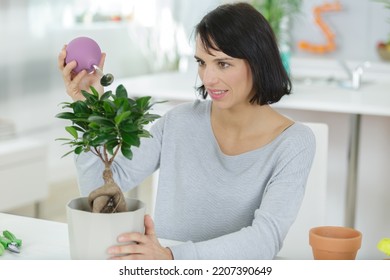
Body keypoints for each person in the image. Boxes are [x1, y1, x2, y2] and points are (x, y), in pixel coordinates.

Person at [58, 2, 315, 260]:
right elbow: (98, 187)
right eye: (202, 62)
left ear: (258, 61)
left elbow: (265, 239)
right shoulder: (179, 122)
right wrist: (88, 105)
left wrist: (172, 258)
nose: (208, 78)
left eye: (223, 64)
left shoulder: (294, 143)